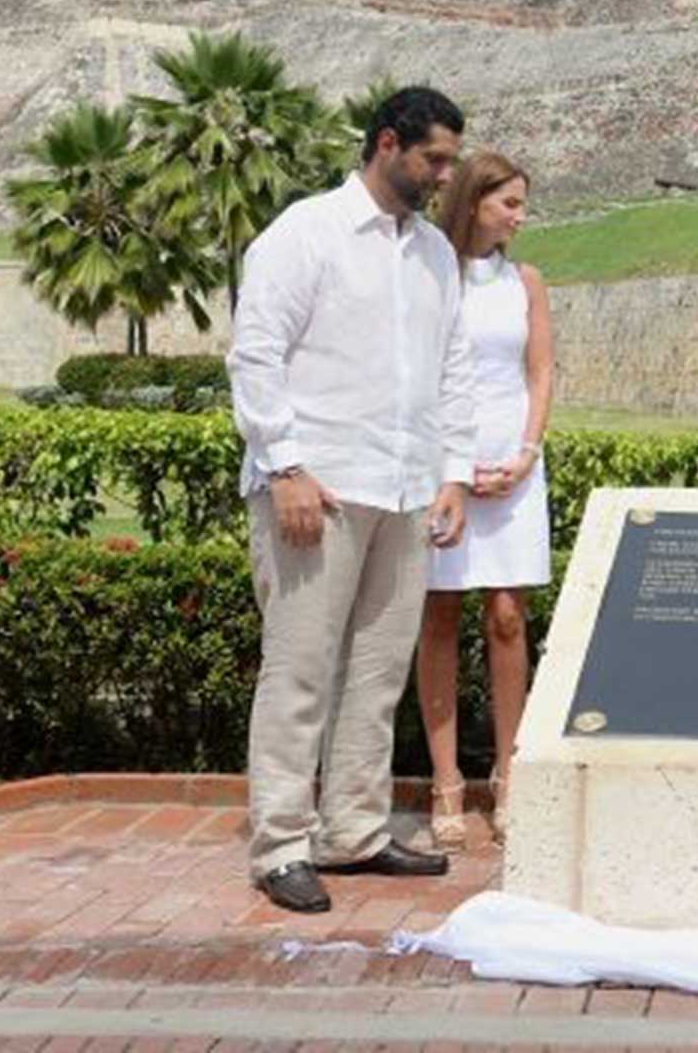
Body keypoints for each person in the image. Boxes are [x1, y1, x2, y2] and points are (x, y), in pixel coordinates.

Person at [227, 86, 478, 914]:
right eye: (432, 159)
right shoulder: (307, 232)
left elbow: (452, 371)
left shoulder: (435, 254)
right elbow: (255, 355)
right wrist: (286, 465)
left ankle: (354, 831)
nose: (444, 176)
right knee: (299, 670)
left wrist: (453, 473)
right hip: (320, 488)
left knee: (376, 675)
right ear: (385, 144)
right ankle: (281, 845)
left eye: (450, 161)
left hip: (405, 490)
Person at [416, 152, 554, 849]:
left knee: (506, 616)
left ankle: (508, 772)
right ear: (474, 202)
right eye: (510, 204)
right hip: (446, 464)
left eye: (523, 205)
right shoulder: (429, 275)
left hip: (514, 465)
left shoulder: (525, 281)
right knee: (439, 612)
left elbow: (541, 370)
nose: (520, 217)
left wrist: (526, 454)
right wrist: (456, 468)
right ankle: (445, 781)